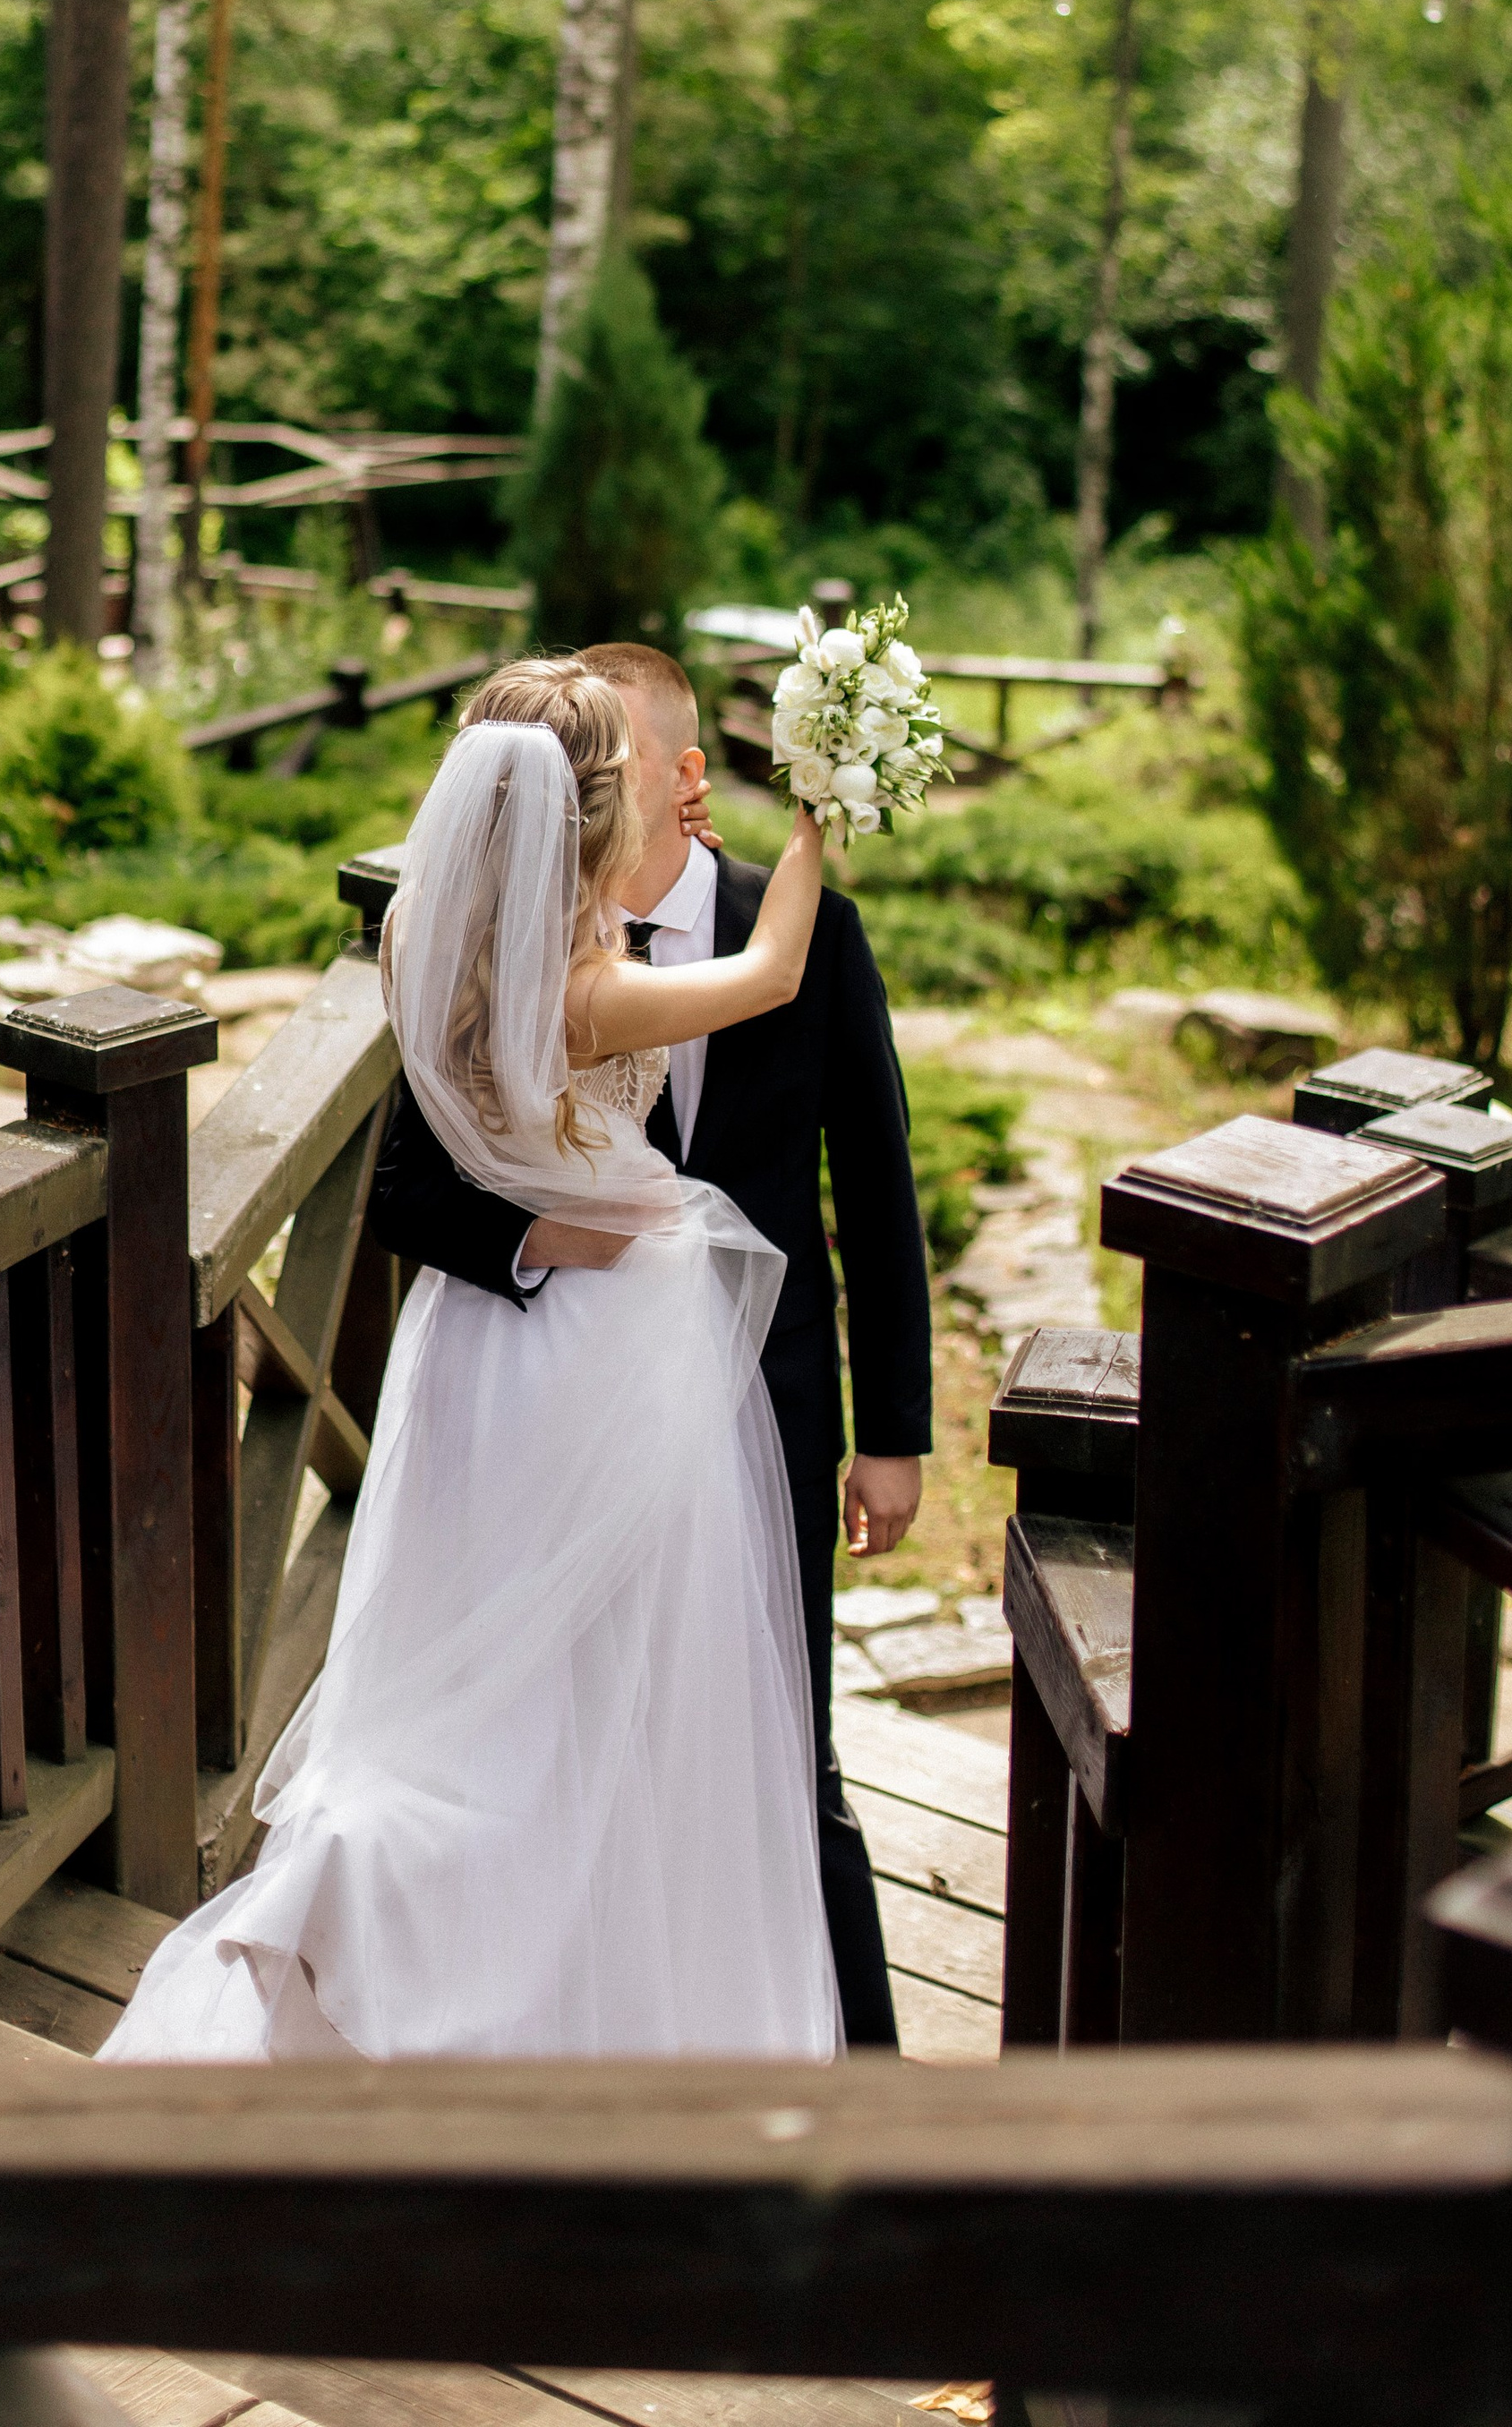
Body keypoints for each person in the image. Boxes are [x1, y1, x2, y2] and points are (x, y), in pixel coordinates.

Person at [100, 662, 846, 2061]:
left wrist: (542, 1226)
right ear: (588, 821)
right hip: (610, 1354)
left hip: (474, 1357)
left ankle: (412, 1904)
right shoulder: (589, 994)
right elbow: (777, 973)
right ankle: (527, 1961)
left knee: (471, 1659)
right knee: (602, 1673)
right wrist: (817, 817)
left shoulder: (427, 950)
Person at [369, 641, 930, 2048]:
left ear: (686, 780)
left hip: (765, 1410)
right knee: (556, 1741)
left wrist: (897, 1435)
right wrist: (532, 1242)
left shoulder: (803, 937)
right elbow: (404, 1189)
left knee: (779, 1749)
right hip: (554, 1400)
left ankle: (854, 2067)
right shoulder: (505, 950)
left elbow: (876, 1192)